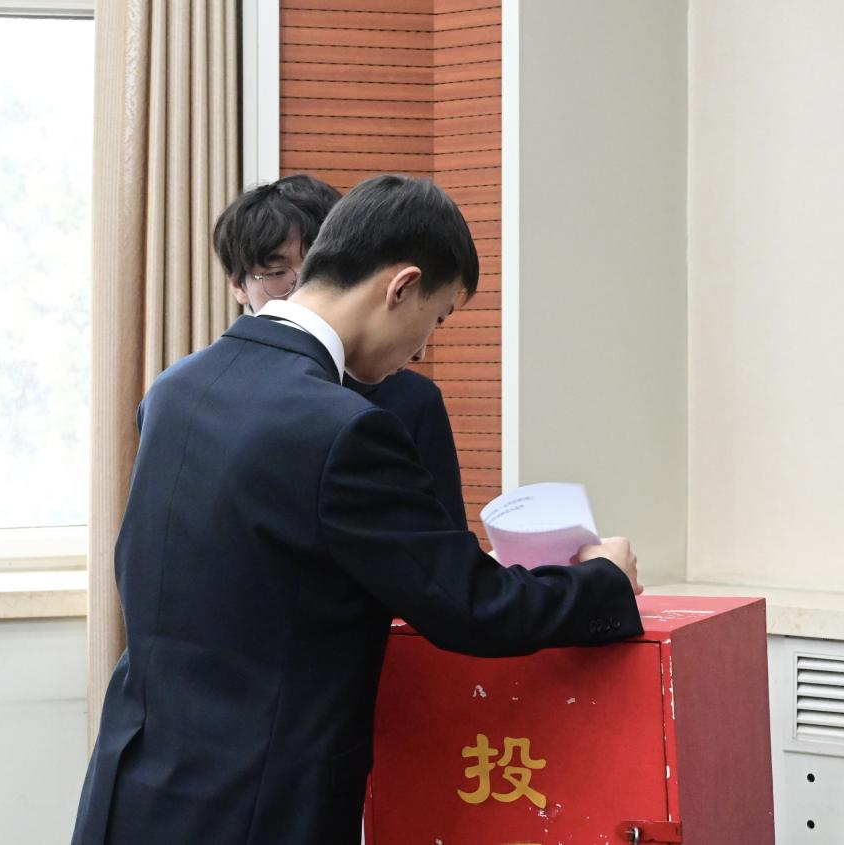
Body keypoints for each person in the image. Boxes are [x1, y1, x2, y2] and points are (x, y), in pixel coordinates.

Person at [71, 174, 644, 844]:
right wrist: (602, 578)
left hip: (135, 787)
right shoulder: (343, 427)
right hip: (260, 802)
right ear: (400, 287)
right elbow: (468, 606)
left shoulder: (175, 389)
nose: (423, 348)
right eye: (437, 318)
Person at [212, 174, 467, 527]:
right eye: (276, 272)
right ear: (237, 285)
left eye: (317, 267)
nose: (301, 288)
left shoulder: (413, 400)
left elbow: (443, 540)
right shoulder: (204, 394)